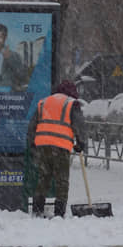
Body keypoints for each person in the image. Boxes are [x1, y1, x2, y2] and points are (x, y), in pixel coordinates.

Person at [27, 80, 87, 218]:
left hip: (42, 145)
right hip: (60, 146)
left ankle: (37, 209)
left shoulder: (44, 102)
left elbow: (32, 124)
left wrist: (32, 142)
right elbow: (79, 124)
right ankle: (59, 212)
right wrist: (81, 143)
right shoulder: (72, 103)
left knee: (43, 177)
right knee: (62, 180)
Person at [0, 23, 28, 90]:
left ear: (5, 38)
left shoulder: (15, 56)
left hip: (11, 97)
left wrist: (10, 59)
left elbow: (23, 77)